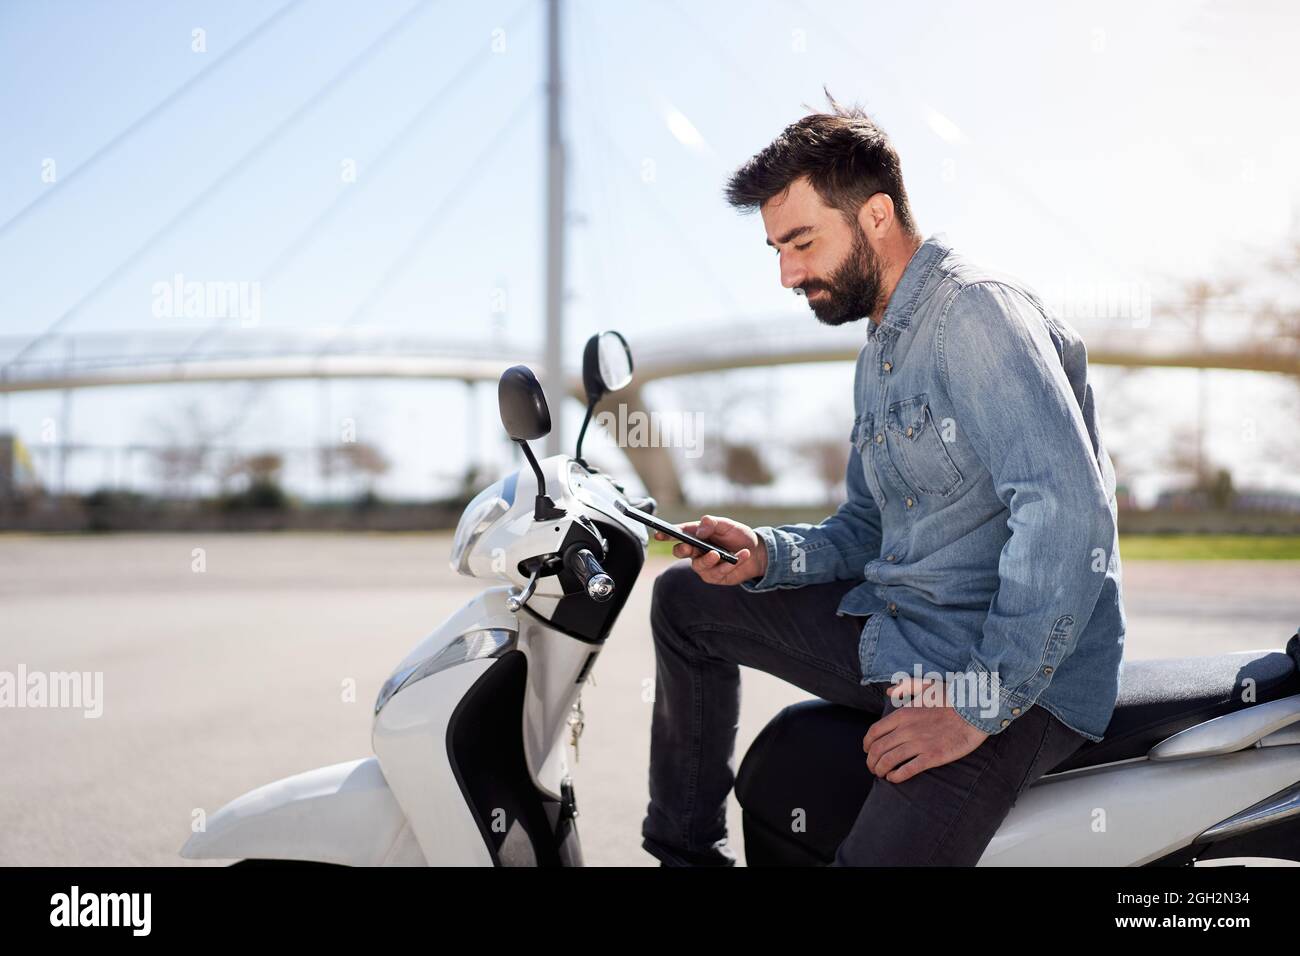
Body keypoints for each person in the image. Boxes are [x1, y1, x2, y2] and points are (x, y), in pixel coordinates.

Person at [641, 93, 1126, 866]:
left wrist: (978, 706)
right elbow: (866, 527)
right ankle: (686, 856)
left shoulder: (975, 315)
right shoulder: (879, 352)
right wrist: (766, 554)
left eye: (801, 242)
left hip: (1006, 677)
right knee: (687, 601)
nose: (787, 273)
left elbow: (1069, 515)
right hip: (906, 634)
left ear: (874, 218)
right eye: (775, 249)